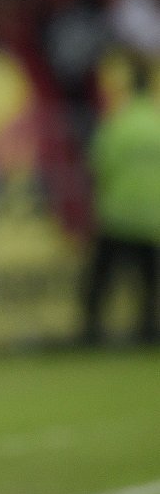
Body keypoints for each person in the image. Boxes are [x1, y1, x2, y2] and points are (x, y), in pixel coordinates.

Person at [80, 58, 160, 345]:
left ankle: (91, 331)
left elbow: (98, 164)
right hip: (153, 219)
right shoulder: (156, 123)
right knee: (149, 282)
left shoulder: (117, 124)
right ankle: (148, 331)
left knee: (101, 280)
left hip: (119, 214)